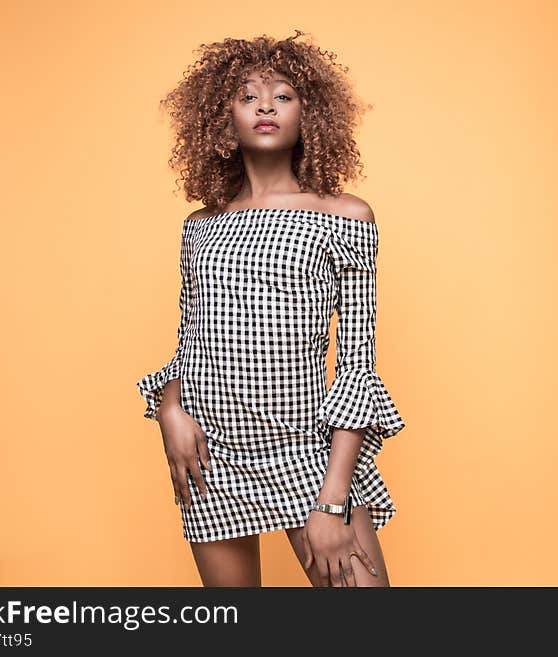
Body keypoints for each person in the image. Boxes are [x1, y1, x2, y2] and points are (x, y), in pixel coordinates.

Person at [136, 30, 406, 587]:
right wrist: (169, 412)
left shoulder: (345, 215)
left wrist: (333, 503)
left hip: (308, 452)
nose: (265, 106)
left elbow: (357, 364)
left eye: (283, 95)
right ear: (221, 119)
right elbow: (192, 341)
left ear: (310, 114)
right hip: (211, 454)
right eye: (247, 96)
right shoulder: (200, 226)